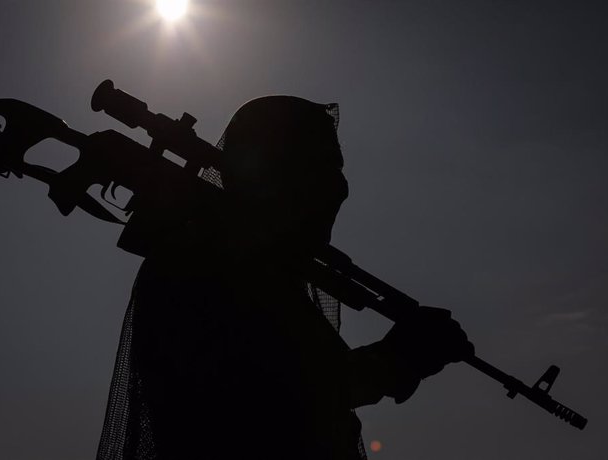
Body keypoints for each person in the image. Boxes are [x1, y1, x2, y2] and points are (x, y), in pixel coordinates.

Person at [96, 95, 474, 460]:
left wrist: (396, 360)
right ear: (273, 172)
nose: (338, 187)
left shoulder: (261, 272)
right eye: (319, 165)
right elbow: (265, 401)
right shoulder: (201, 265)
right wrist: (395, 360)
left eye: (336, 168)